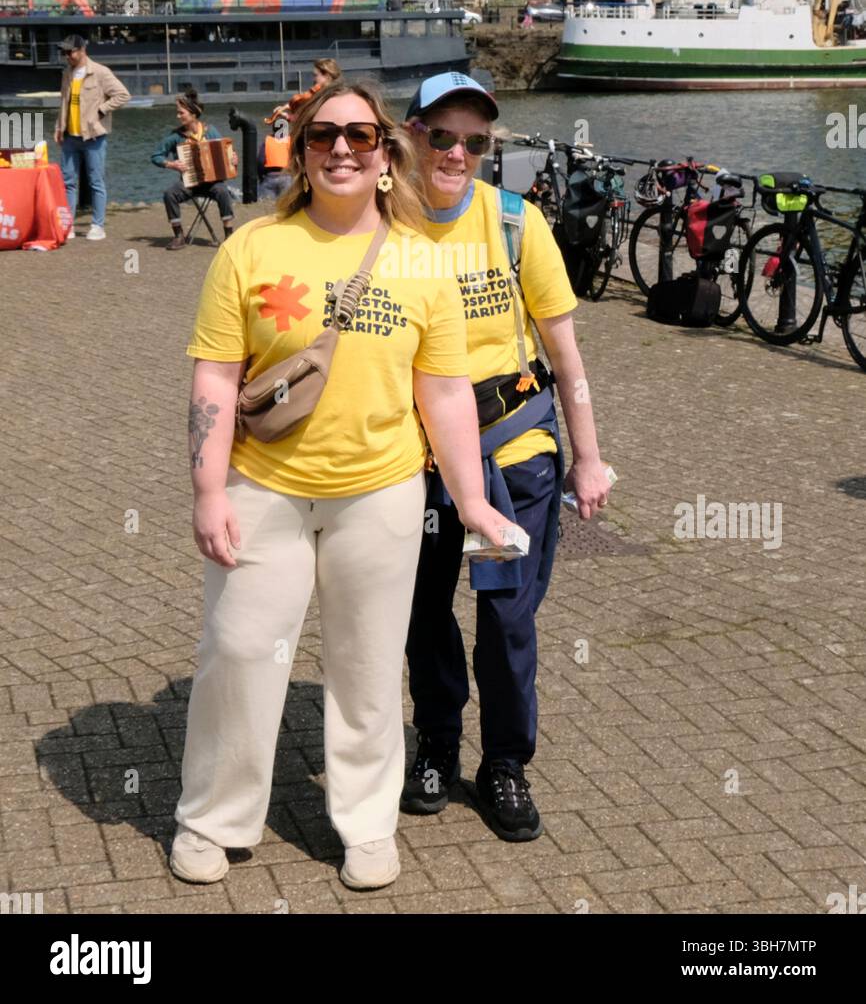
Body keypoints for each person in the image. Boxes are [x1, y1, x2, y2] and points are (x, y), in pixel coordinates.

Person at [171, 79, 515, 892]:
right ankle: (214, 815)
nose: (340, 150)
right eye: (322, 134)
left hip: (381, 494)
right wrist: (208, 491)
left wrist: (471, 502)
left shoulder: (424, 262)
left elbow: (444, 392)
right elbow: (215, 379)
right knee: (239, 651)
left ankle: (366, 824)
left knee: (364, 667)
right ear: (299, 148)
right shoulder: (250, 249)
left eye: (360, 136)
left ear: (386, 152)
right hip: (265, 487)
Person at [402, 72, 611, 842]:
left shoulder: (518, 223)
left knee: (507, 615)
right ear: (412, 134)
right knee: (423, 609)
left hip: (516, 444)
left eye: (476, 141)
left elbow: (567, 354)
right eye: (442, 135)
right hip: (416, 455)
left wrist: (587, 458)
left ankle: (504, 764)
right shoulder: (383, 225)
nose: (458, 152)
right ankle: (436, 742)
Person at [53, 33, 130, 241]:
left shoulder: (101, 73)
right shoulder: (67, 73)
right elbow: (63, 102)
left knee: (96, 182)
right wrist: (59, 127)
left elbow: (123, 95)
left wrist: (101, 111)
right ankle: (68, 225)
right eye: (64, 52)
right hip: (70, 136)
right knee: (67, 182)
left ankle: (98, 225)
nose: (66, 56)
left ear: (82, 50)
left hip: (94, 136)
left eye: (70, 52)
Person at [151, 88, 236, 248]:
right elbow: (156, 156)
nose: (178, 116)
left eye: (181, 113)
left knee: (223, 191)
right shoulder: (175, 136)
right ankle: (178, 236)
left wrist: (233, 159)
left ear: (193, 114)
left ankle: (229, 235)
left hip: (212, 183)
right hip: (188, 183)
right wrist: (171, 164)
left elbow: (227, 153)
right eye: (178, 112)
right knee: (170, 194)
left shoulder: (211, 132)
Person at [257, 60, 343, 199]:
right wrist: (289, 117)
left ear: (326, 75)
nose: (314, 80)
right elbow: (310, 119)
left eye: (316, 75)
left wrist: (290, 114)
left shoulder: (331, 97)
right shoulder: (325, 95)